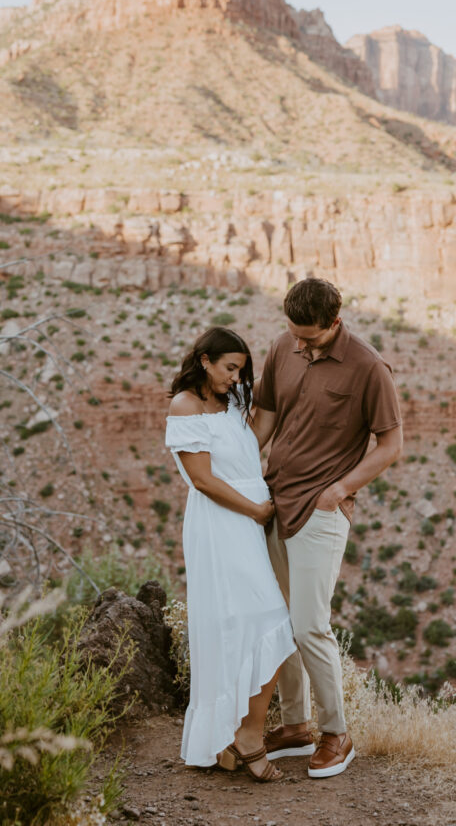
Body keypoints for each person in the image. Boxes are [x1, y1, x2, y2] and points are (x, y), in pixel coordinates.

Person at [254, 278, 403, 779]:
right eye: (294, 335)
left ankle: (337, 733)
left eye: (310, 339)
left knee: (309, 625)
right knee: (280, 620)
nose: (299, 345)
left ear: (335, 322)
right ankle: (295, 726)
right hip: (273, 503)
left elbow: (390, 446)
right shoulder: (282, 346)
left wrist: (338, 491)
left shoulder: (368, 366)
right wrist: (235, 473)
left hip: (320, 511)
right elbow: (265, 419)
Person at [165, 326, 296, 783]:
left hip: (247, 518)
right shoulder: (184, 406)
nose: (236, 378)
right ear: (204, 360)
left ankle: (232, 737)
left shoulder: (235, 400)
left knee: (255, 622)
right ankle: (245, 737)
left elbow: (257, 436)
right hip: (222, 522)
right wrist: (257, 510)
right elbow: (202, 478)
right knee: (262, 620)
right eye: (229, 368)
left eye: (241, 370)